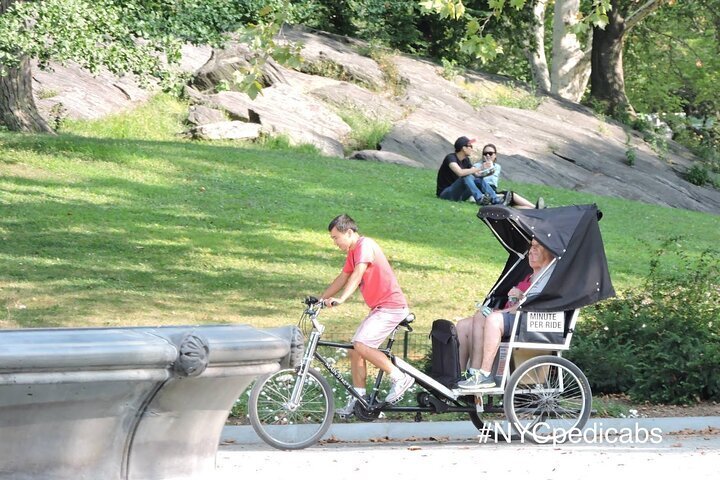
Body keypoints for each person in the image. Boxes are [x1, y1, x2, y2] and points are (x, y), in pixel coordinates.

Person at [320, 214, 415, 415]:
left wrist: (343, 298)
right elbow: (343, 277)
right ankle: (359, 399)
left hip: (391, 307)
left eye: (336, 237)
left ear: (349, 232)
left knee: (362, 344)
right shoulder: (353, 253)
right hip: (380, 309)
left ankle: (400, 377)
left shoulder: (365, 245)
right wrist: (320, 300)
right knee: (355, 350)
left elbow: (357, 274)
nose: (335, 242)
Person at [455, 239, 556, 389]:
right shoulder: (531, 276)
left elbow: (529, 304)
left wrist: (515, 300)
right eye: (531, 247)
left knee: (493, 319)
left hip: (528, 319)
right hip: (513, 315)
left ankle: (485, 374)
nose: (531, 251)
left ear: (548, 251)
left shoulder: (547, 276)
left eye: (537, 247)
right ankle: (468, 373)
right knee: (468, 322)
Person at [436, 136, 505, 205]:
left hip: (459, 194)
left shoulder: (466, 160)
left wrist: (487, 173)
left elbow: (476, 174)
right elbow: (460, 172)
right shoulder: (450, 158)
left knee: (478, 179)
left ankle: (495, 199)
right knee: (465, 176)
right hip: (445, 194)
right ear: (464, 148)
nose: (472, 148)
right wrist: (480, 167)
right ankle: (480, 198)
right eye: (470, 146)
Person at [474, 143, 544, 209]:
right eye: (485, 154)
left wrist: (489, 166)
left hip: (493, 190)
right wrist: (483, 167)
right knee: (511, 195)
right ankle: (536, 208)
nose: (488, 155)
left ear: (495, 155)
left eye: (490, 153)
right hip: (483, 189)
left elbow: (492, 173)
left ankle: (536, 209)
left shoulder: (497, 167)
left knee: (512, 204)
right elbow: (476, 179)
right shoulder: (477, 166)